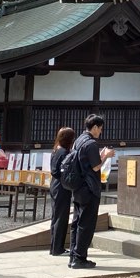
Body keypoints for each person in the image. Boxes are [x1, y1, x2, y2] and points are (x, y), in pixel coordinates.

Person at [68, 114, 115, 269]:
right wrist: (106, 156)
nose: (100, 132)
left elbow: (87, 162)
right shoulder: (91, 144)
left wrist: (100, 156)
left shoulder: (79, 140)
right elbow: (95, 167)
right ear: (94, 127)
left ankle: (73, 256)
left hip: (78, 187)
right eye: (100, 129)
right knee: (86, 224)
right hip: (89, 188)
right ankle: (80, 258)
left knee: (77, 222)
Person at [48, 126, 76, 257]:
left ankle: (54, 247)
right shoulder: (64, 152)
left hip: (55, 185)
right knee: (61, 217)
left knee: (56, 216)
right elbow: (62, 171)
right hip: (61, 187)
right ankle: (58, 248)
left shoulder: (56, 150)